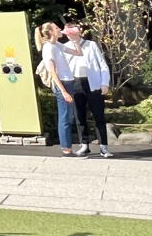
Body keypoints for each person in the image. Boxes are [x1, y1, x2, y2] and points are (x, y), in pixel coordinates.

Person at [63, 20, 113, 158]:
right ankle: (84, 144)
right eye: (67, 32)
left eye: (72, 31)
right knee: (79, 115)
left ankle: (104, 146)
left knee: (99, 115)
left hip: (93, 83)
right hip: (75, 82)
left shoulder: (91, 45)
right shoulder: (65, 47)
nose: (70, 35)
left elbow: (102, 64)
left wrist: (105, 83)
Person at [34, 21, 84, 158]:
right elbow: (52, 72)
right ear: (50, 32)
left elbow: (78, 53)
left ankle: (67, 148)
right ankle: (66, 150)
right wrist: (63, 91)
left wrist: (75, 40)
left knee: (68, 116)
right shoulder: (48, 47)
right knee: (65, 117)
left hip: (68, 81)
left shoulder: (57, 45)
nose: (60, 30)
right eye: (56, 28)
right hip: (62, 84)